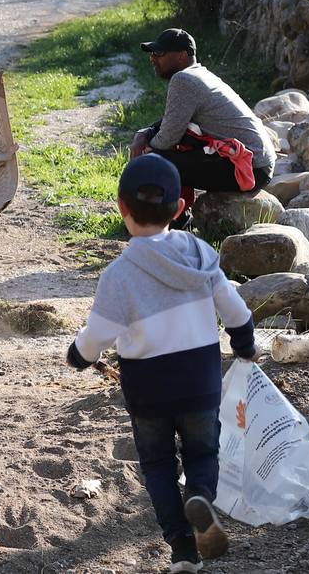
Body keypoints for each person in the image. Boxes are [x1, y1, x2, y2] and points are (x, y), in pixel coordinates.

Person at [67, 153, 255, 573]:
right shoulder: (202, 256)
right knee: (203, 453)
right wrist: (244, 342)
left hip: (148, 390)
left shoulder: (119, 274)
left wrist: (79, 355)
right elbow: (236, 311)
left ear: (121, 207)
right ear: (180, 208)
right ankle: (201, 496)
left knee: (156, 465)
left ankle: (182, 550)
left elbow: (97, 335)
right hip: (200, 381)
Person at [130, 29, 276, 224]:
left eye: (159, 54)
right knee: (170, 153)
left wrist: (146, 145)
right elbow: (172, 121)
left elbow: (167, 139)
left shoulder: (183, 80)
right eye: (152, 54)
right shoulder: (199, 74)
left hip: (249, 167)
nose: (152, 59)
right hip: (259, 163)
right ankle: (176, 219)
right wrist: (145, 132)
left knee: (151, 160)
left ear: (182, 55)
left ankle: (154, 224)